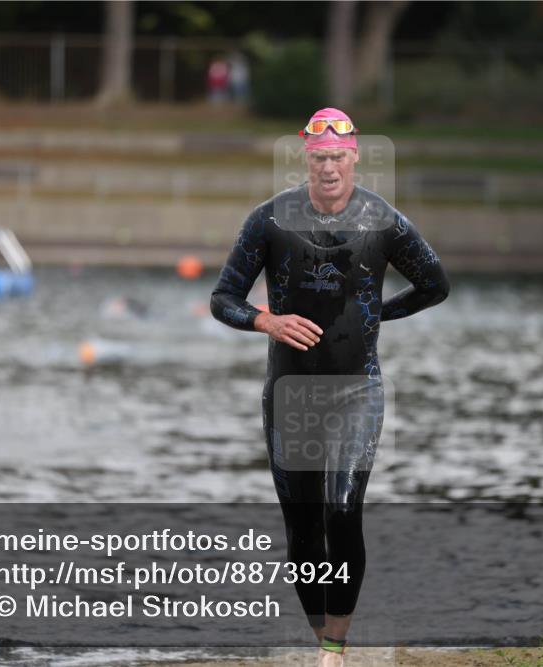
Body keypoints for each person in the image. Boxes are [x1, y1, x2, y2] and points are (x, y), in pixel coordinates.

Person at [210, 108, 449, 666]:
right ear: (306, 159)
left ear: (355, 156)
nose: (329, 167)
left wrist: (375, 317)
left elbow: (434, 286)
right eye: (319, 157)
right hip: (289, 393)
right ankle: (324, 639)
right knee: (301, 527)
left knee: (341, 508)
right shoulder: (269, 221)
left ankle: (335, 649)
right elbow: (223, 297)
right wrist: (265, 321)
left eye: (338, 156)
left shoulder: (384, 221)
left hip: (355, 389)